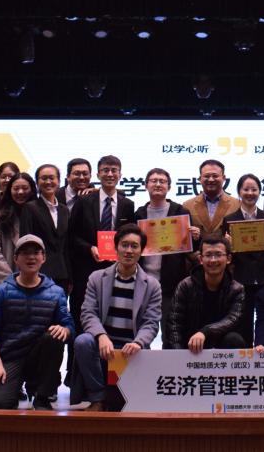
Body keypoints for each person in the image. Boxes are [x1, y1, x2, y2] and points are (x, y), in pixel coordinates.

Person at [72, 224, 162, 412]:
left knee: (121, 406)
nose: (129, 250)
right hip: (104, 347)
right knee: (82, 341)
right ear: (116, 247)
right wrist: (101, 336)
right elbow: (88, 313)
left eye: (134, 246)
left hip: (132, 349)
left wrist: (138, 342)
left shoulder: (152, 285)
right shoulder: (97, 278)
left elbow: (151, 322)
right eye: (124, 245)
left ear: (141, 251)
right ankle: (97, 398)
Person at [0, 234, 73, 410]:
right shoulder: (0, 292)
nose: (31, 257)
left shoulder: (56, 292)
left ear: (43, 258)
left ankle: (42, 396)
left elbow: (69, 326)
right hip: (10, 357)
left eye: (36, 252)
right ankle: (13, 388)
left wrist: (65, 330)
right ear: (16, 259)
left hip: (40, 358)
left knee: (54, 337)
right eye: (25, 253)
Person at [69, 155, 136, 339]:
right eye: (105, 170)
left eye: (114, 170)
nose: (110, 174)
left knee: (111, 320)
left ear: (120, 174)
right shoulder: (83, 201)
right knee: (81, 320)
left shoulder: (127, 204)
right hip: (86, 271)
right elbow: (72, 236)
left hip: (116, 272)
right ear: (98, 174)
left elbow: (130, 236)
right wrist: (89, 248)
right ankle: (77, 358)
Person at [134, 167, 195, 327]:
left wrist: (195, 236)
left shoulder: (180, 211)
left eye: (162, 181)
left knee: (171, 330)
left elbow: (191, 248)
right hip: (143, 280)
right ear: (146, 185)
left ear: (169, 186)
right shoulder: (139, 214)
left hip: (172, 283)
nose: (158, 184)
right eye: (154, 181)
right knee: (140, 328)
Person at [222, 173, 264, 344]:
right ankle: (245, 354)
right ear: (239, 191)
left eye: (254, 189)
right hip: (241, 278)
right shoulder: (229, 220)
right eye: (246, 189)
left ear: (259, 192)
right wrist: (228, 245)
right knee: (243, 322)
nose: (250, 193)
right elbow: (227, 255)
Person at [166, 234, 246, 350]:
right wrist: (179, 355)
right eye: (208, 255)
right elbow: (174, 324)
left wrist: (205, 332)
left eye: (218, 255)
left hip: (220, 346)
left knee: (234, 339)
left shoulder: (237, 289)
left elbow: (232, 319)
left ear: (228, 259)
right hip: (189, 345)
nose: (213, 260)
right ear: (200, 259)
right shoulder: (185, 285)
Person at [0, 173, 33, 295]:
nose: (20, 192)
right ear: (9, 191)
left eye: (25, 188)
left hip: (33, 283)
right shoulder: (0, 217)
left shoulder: (38, 215)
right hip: (3, 283)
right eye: (16, 188)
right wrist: (11, 280)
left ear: (32, 190)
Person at [183, 159, 240, 238]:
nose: (211, 179)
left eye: (215, 176)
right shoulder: (187, 205)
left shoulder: (237, 204)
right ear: (200, 178)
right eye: (207, 176)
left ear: (224, 178)